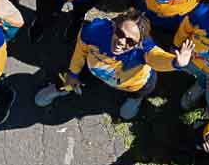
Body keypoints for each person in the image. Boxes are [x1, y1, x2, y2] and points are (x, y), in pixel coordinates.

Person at [33, 9, 194, 119]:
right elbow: (80, 51)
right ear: (114, 26)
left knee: (138, 95)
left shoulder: (143, 51)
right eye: (119, 33)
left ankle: (135, 100)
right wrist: (73, 73)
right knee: (72, 75)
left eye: (130, 41)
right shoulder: (94, 30)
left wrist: (175, 62)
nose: (121, 42)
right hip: (96, 70)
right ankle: (63, 86)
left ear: (138, 44)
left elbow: (157, 58)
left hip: (133, 85)